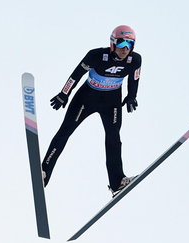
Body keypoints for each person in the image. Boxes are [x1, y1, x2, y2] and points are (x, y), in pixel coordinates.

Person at [41, 25, 142, 197]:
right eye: (121, 42)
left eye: (129, 44)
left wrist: (132, 96)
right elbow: (76, 75)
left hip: (112, 102)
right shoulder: (96, 56)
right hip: (87, 98)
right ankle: (43, 172)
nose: (125, 48)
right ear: (112, 43)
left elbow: (134, 79)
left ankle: (117, 182)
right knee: (65, 131)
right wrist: (64, 94)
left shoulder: (135, 60)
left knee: (114, 138)